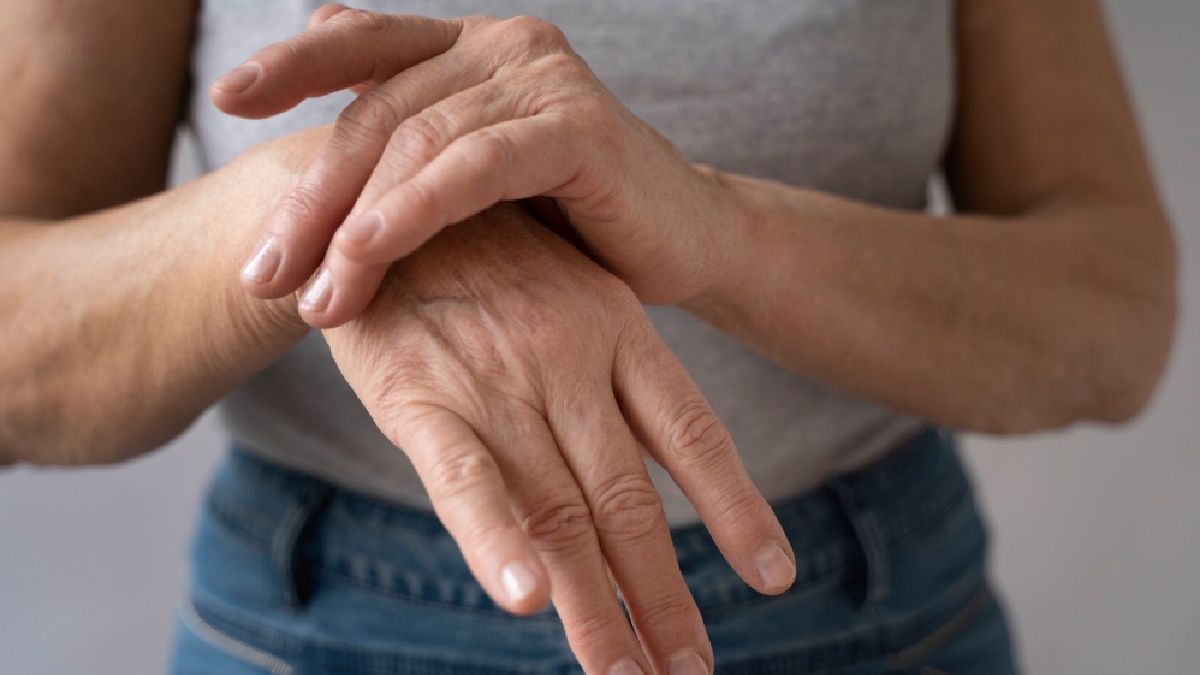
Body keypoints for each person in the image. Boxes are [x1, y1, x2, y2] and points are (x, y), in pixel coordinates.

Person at [0, 0, 1176, 673]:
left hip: (875, 611)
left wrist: (715, 227)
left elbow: (1112, 313)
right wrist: (334, 204)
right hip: (321, 623)